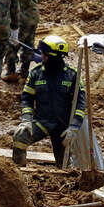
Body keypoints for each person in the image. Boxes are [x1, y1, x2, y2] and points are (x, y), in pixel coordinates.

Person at [12, 35, 85, 167]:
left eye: (45, 54)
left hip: (63, 128)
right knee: (20, 137)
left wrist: (74, 127)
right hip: (42, 122)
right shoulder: (35, 73)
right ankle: (18, 175)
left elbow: (80, 104)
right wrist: (26, 120)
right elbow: (27, 99)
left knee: (64, 166)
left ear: (55, 57)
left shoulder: (73, 75)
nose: (42, 57)